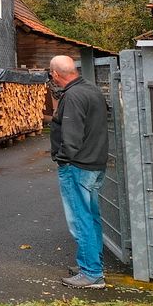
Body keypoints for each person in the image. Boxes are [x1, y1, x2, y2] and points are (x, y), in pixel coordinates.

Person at [48, 55, 109, 289]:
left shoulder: (72, 96)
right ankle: (92, 264)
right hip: (95, 163)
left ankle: (91, 273)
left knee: (80, 219)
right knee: (91, 217)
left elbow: (71, 135)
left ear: (55, 74)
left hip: (77, 166)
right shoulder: (91, 90)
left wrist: (62, 159)